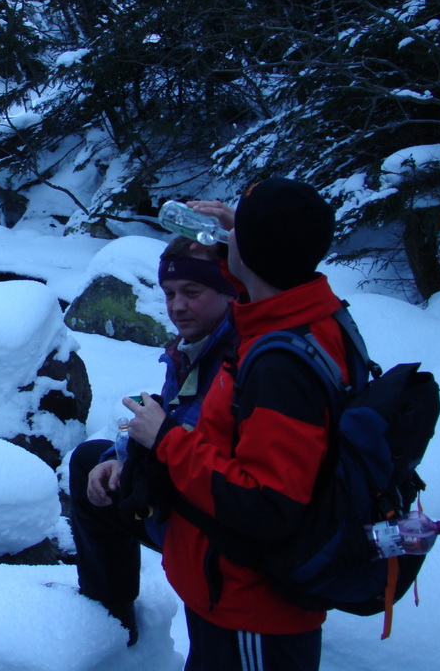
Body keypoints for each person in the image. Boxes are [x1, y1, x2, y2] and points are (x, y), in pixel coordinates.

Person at [125, 177, 344, 671]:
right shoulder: (309, 313)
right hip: (228, 589)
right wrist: (236, 234)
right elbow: (254, 282)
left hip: (252, 604)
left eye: (237, 233)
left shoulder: (279, 364)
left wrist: (165, 440)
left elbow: (267, 504)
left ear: (253, 253)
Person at [68, 230, 238, 646]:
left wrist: (148, 446)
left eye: (192, 291)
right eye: (169, 293)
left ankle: (112, 613)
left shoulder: (238, 355)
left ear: (229, 290)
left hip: (213, 518)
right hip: (184, 488)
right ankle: (110, 613)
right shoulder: (193, 346)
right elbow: (171, 415)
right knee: (90, 462)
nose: (177, 306)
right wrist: (120, 457)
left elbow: (187, 434)